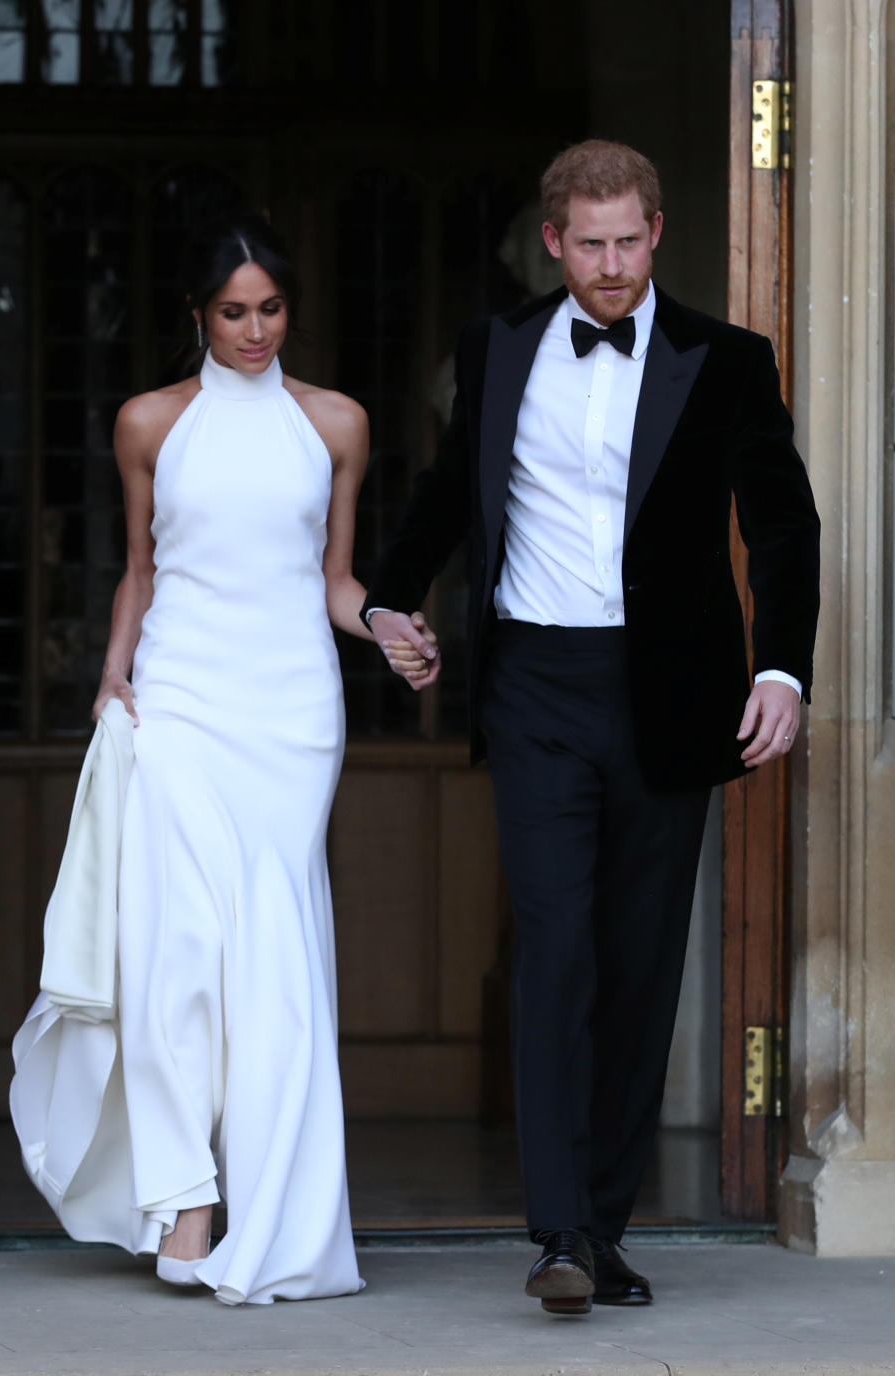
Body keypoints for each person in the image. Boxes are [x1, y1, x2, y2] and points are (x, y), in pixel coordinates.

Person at [362, 140, 819, 1315]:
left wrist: (780, 668)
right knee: (558, 948)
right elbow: (449, 494)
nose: (612, 266)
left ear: (657, 233)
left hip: (670, 693)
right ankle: (558, 1229)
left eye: (630, 241)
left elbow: (783, 526)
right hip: (537, 688)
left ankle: (603, 1228)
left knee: (638, 964)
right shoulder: (501, 346)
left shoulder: (727, 361)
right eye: (590, 243)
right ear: (554, 240)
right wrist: (386, 596)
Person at [12, 216, 426, 1305]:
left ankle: (277, 1207)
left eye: (271, 309)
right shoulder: (150, 420)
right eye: (233, 311)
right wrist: (112, 679)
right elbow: (141, 568)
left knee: (275, 960)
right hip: (182, 698)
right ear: (198, 314)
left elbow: (332, 578)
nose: (253, 330)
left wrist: (383, 621)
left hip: (292, 713)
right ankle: (187, 1197)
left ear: (293, 311)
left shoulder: (334, 422)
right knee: (177, 952)